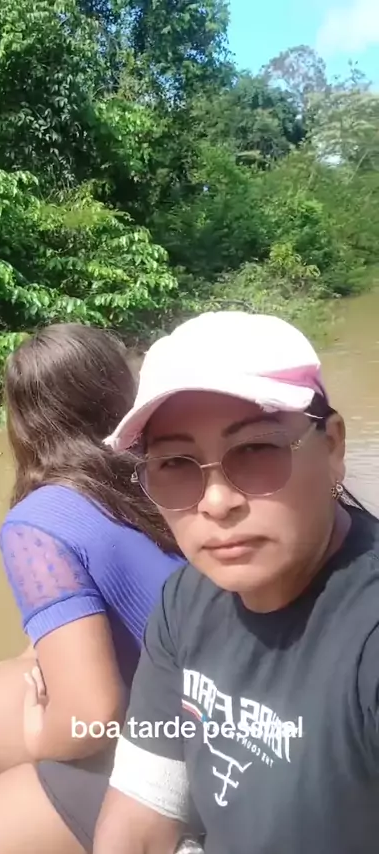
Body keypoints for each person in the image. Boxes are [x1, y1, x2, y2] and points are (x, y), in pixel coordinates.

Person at [93, 310, 379, 854]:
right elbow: (141, 811)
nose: (218, 502)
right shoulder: (184, 600)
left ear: (333, 447)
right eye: (175, 463)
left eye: (256, 450)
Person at [0, 322, 187, 854]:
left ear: (23, 418)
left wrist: (38, 736)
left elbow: (93, 717)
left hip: (166, 743)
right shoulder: (166, 473)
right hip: (205, 701)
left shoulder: (37, 524)